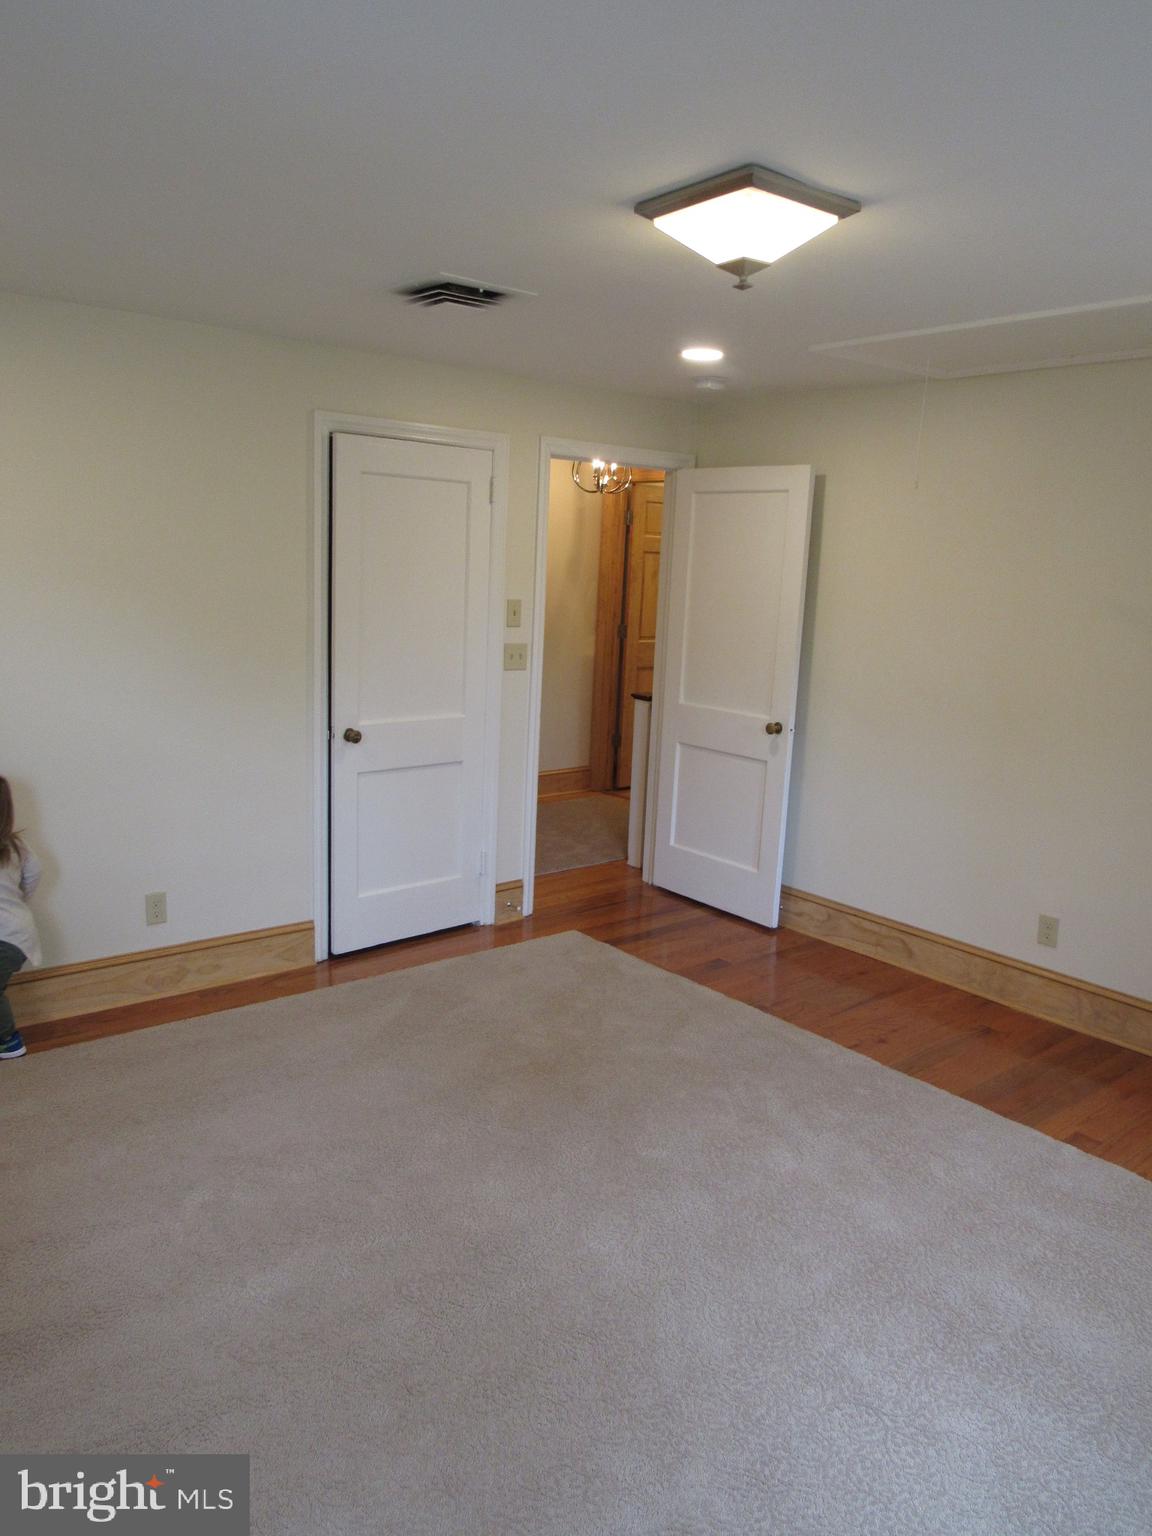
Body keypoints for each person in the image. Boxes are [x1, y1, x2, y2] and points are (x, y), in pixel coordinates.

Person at [0, 777, 41, 1060]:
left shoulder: (14, 847)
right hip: (17, 929)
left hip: (7, 936)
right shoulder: (16, 846)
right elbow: (33, 875)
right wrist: (17, 900)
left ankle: (8, 1040)